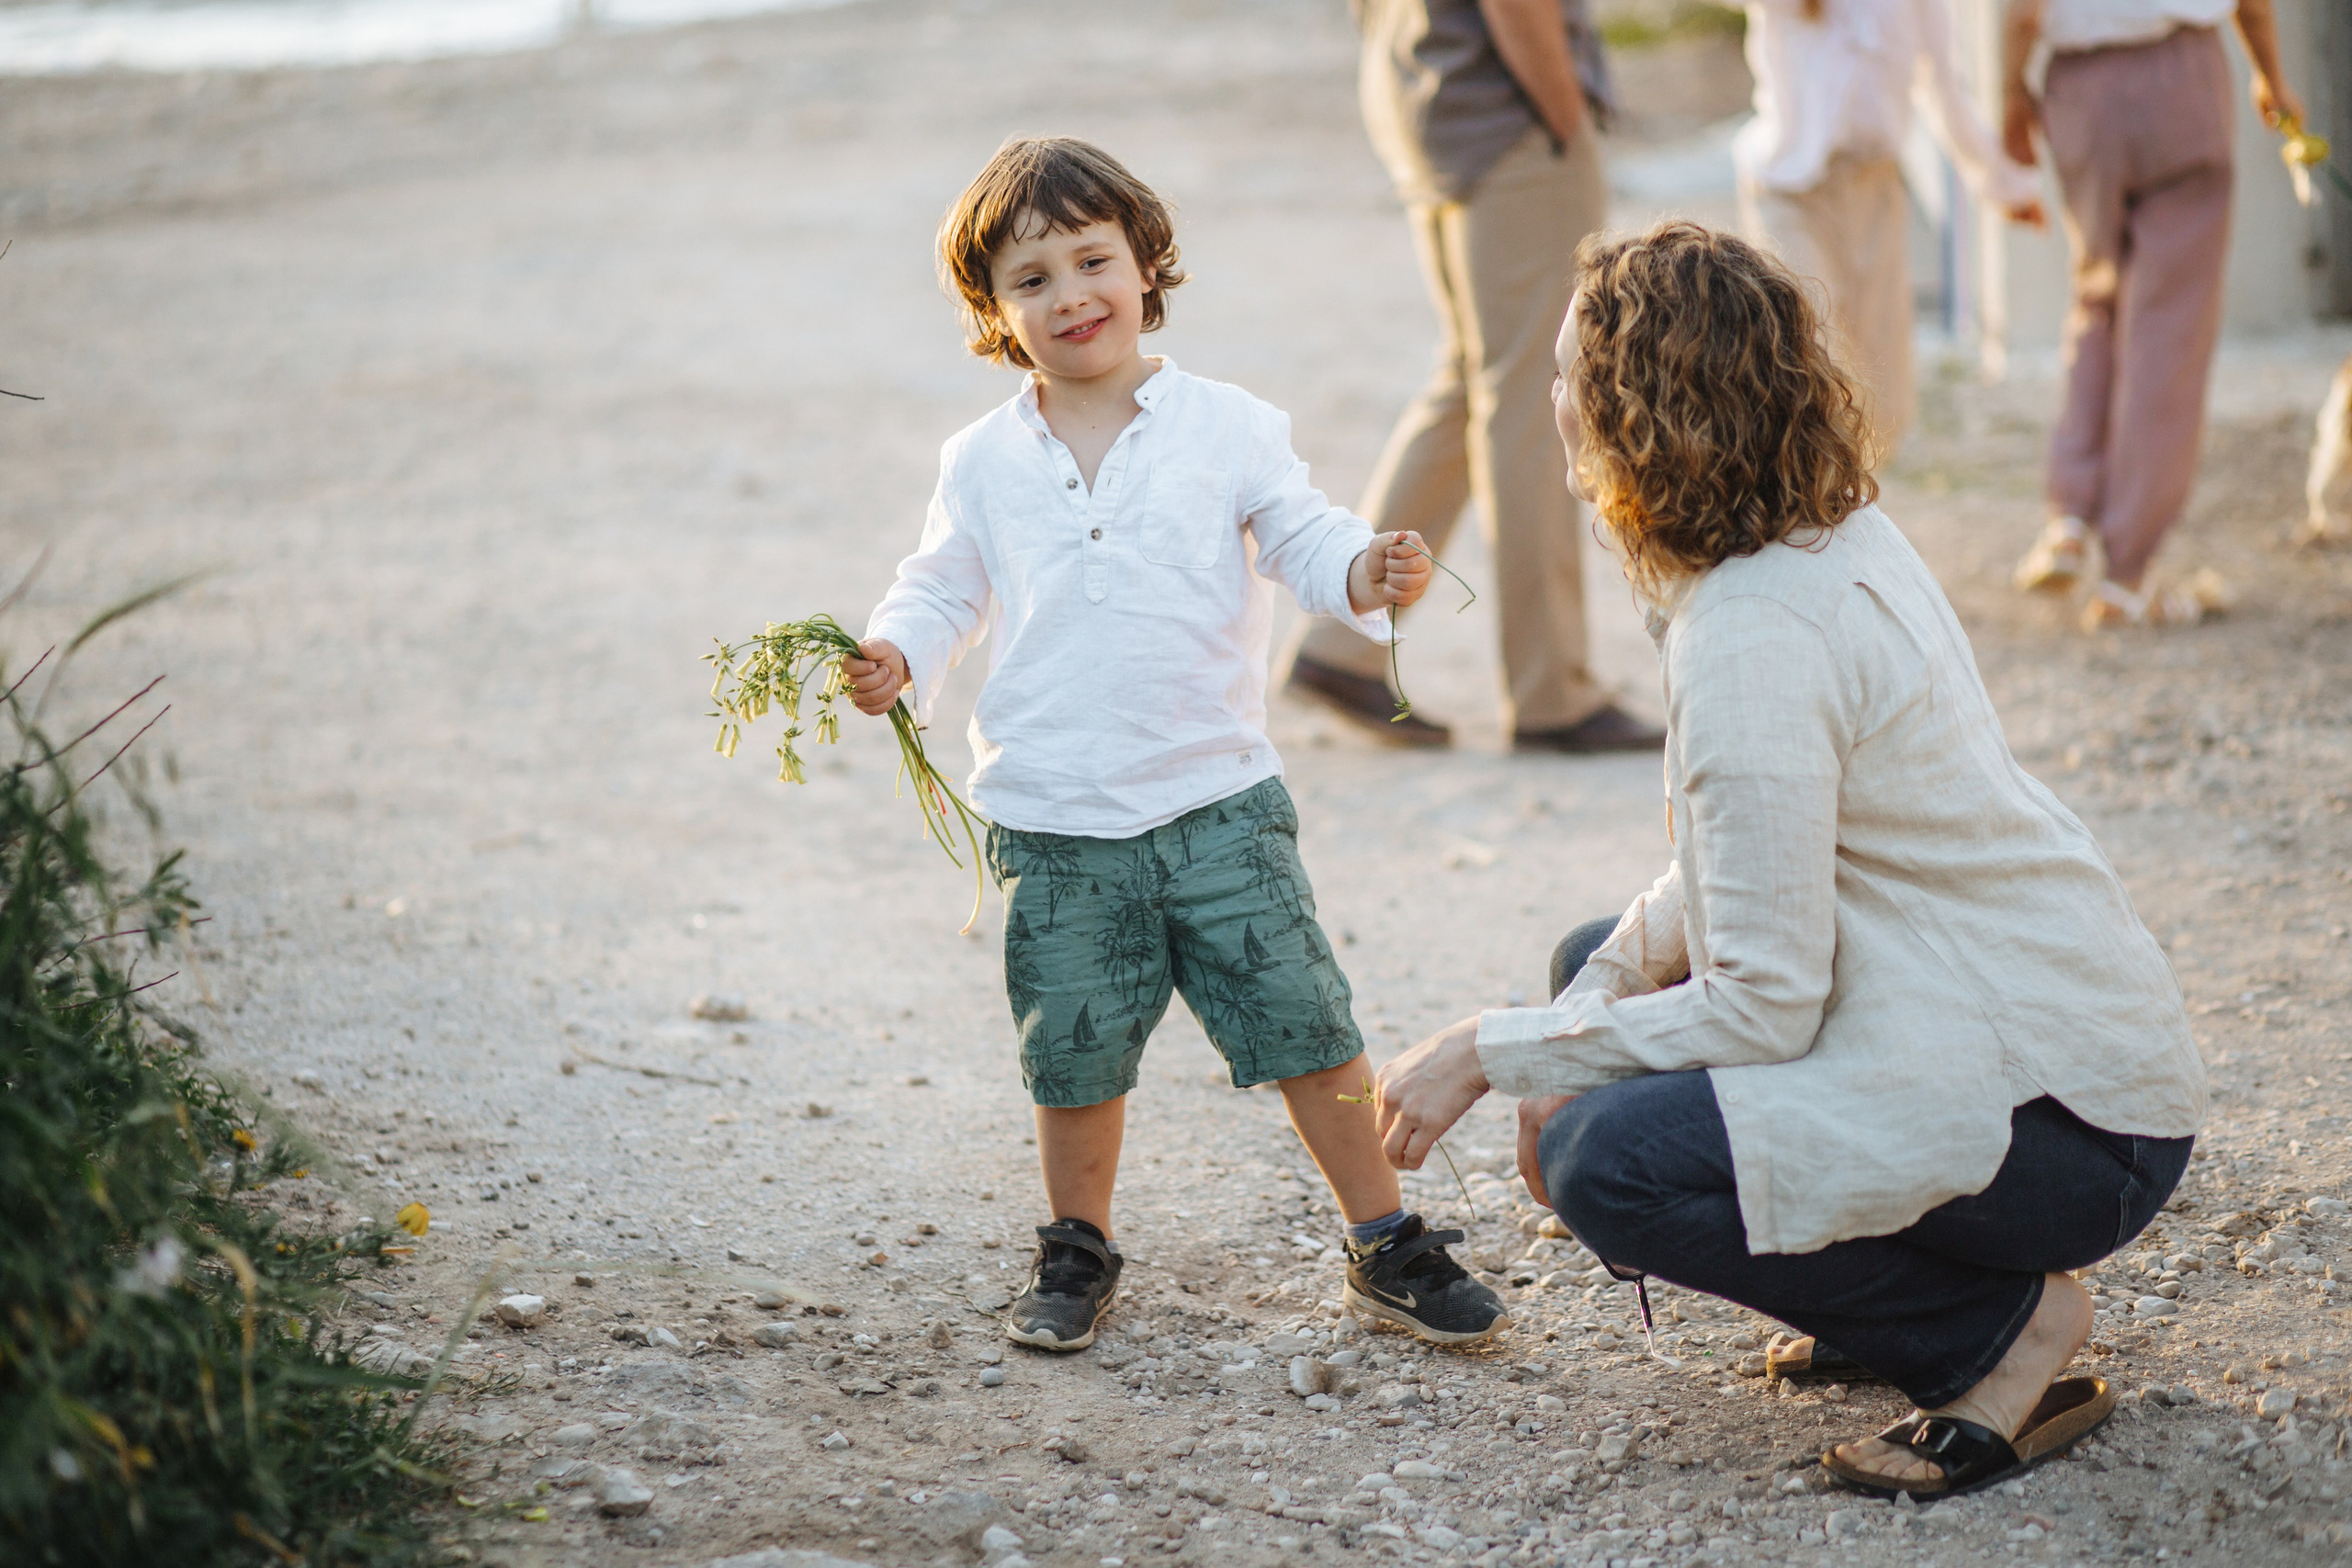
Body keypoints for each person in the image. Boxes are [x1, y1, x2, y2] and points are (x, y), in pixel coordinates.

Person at [1374, 221, 2205, 1496]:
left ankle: (1996, 1332)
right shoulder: (1821, 534)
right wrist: (1575, 1009)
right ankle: (1899, 1284)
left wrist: (1497, 1051)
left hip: (2071, 1125)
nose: (1550, 405)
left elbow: (1768, 999)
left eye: (1565, 381)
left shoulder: (1750, 635)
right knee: (1591, 965)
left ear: (1629, 418)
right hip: (2003, 1030)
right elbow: (1735, 884)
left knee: (1611, 1159)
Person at [842, 137, 1508, 1353]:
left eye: (1093, 259)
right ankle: (1078, 1239)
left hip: (1218, 800)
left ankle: (1384, 1232)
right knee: (1076, 1051)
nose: (1069, 295)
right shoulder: (983, 459)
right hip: (1054, 817)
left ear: (1149, 267)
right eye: (1031, 278)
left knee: (1309, 1022)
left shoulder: (1228, 427)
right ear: (995, 311)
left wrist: (1366, 568)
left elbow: (1305, 537)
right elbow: (940, 589)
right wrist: (898, 655)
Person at [1283, 0, 1662, 754]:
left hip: (1433, 100)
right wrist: (1564, 118)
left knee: (1474, 378)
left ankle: (1342, 643)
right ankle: (1551, 690)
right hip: (1506, 118)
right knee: (1531, 394)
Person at [2005, 0, 2304, 629]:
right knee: (2169, 324)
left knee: (2096, 296)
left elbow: (2025, 12)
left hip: (2080, 88)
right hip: (2183, 78)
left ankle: (2069, 517)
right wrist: (2272, 79)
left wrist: (2010, 93)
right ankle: (2126, 575)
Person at [1736, 0, 2047, 452]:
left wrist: (2006, 184)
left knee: (1880, 393)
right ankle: (1793, 507)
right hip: (1790, 191)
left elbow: (1945, 92)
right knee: (1803, 362)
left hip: (1874, 189)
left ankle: (1851, 507)